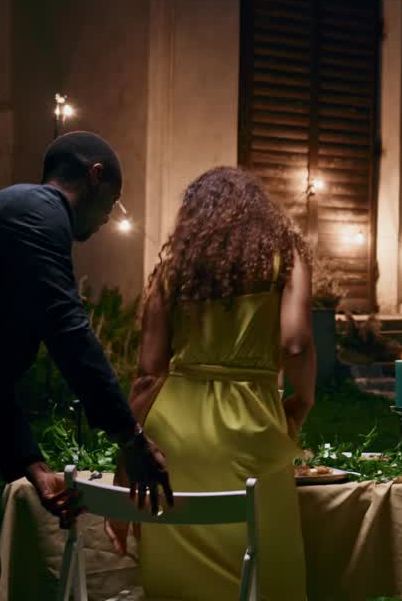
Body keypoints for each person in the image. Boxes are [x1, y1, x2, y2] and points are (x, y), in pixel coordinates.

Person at [106, 167, 315, 600]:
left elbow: (147, 376)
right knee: (267, 565)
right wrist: (303, 400)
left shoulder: (173, 270)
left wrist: (124, 478)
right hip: (252, 428)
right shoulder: (286, 258)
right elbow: (295, 343)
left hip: (175, 434)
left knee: (179, 575)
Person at [0, 131, 172, 599]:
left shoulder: (21, 214)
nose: (109, 217)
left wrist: (32, 465)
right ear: (95, 176)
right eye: (113, 201)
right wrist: (132, 439)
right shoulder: (40, 215)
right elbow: (71, 336)